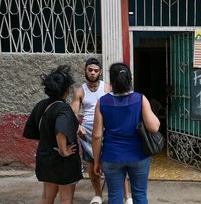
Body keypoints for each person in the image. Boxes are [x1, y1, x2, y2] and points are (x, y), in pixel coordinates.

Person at [92, 62, 160, 204]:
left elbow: (97, 135)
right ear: (130, 79)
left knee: (115, 197)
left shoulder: (102, 102)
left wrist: (97, 161)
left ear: (111, 81)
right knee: (140, 195)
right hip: (138, 156)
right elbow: (154, 127)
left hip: (112, 156)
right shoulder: (140, 99)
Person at [71, 58, 132, 204]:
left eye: (95, 70)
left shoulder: (108, 88)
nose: (92, 73)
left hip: (107, 130)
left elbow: (120, 104)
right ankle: (98, 195)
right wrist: (77, 126)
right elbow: (72, 114)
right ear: (84, 70)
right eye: (90, 70)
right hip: (87, 133)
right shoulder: (80, 91)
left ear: (100, 72)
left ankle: (127, 197)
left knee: (118, 164)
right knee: (92, 167)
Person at [23, 65, 82, 204]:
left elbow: (31, 131)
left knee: (47, 197)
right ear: (66, 90)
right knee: (66, 199)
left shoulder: (41, 105)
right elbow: (60, 130)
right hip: (62, 161)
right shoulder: (63, 108)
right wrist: (63, 150)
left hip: (46, 158)